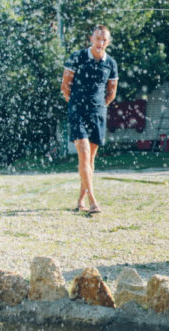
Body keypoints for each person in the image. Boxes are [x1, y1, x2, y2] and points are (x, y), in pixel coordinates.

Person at [61, 25, 118, 213]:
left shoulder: (111, 64)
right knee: (84, 154)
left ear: (108, 42)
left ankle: (80, 201)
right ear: (91, 39)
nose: (100, 43)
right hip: (78, 112)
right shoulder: (77, 57)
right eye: (97, 38)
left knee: (90, 160)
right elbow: (65, 86)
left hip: (98, 114)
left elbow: (111, 93)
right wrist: (76, 105)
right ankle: (93, 201)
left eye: (104, 40)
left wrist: (99, 107)